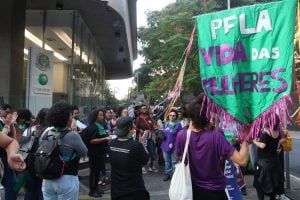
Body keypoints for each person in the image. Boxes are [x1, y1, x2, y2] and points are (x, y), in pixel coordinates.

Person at [175, 94, 250, 200]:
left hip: (191, 190)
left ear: (190, 118)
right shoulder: (216, 136)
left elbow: (178, 155)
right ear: (208, 118)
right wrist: (246, 138)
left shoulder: (181, 135)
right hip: (215, 192)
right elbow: (242, 160)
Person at [41, 102, 87, 200]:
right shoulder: (72, 135)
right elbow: (84, 153)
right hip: (66, 178)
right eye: (71, 116)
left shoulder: (46, 132)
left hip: (47, 178)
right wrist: (75, 131)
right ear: (67, 119)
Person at [108, 116, 150, 200]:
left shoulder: (111, 143)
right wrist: (141, 143)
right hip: (133, 191)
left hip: (116, 189)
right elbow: (147, 161)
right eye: (133, 125)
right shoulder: (135, 146)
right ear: (130, 128)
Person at [252, 115, 285, 200]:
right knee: (274, 184)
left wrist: (254, 141)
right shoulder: (277, 132)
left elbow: (262, 145)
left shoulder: (267, 132)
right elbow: (277, 146)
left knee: (259, 183)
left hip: (264, 163)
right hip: (274, 162)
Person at [23, 108, 49, 200]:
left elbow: (24, 147)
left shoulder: (30, 129)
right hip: (45, 164)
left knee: (30, 189)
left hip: (31, 163)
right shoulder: (51, 131)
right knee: (42, 190)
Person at [86, 109, 111, 197]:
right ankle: (92, 190)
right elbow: (92, 140)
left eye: (102, 115)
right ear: (95, 117)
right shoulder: (93, 127)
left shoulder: (100, 125)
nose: (102, 117)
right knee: (94, 172)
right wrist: (105, 139)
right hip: (94, 153)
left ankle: (96, 188)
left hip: (101, 153)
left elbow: (102, 135)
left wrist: (108, 137)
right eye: (100, 115)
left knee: (97, 172)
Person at [161, 110, 182, 181]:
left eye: (174, 115)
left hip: (174, 145)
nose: (172, 117)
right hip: (165, 144)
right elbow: (163, 132)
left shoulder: (178, 124)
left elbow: (180, 135)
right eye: (170, 115)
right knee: (167, 161)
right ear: (168, 116)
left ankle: (174, 175)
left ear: (176, 116)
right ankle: (168, 173)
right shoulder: (166, 123)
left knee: (174, 161)